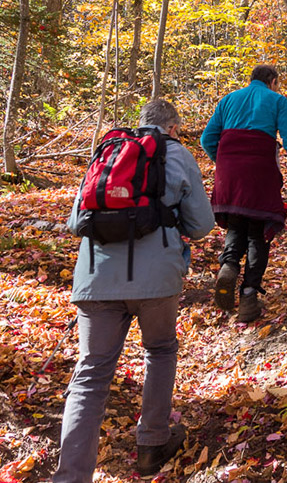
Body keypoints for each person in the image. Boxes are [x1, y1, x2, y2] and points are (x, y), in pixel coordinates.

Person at [53, 100, 214, 483]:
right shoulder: (176, 154)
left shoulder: (108, 151)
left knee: (91, 375)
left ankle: (71, 476)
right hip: (157, 279)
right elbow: (203, 223)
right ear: (172, 128)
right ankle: (151, 444)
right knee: (159, 350)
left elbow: (77, 222)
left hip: (95, 278)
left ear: (140, 124)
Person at [201, 64, 287, 323]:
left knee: (236, 225)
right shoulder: (277, 101)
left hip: (229, 174)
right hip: (260, 171)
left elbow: (206, 139)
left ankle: (228, 266)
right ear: (272, 81)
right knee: (258, 232)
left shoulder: (228, 100)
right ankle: (248, 295)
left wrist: (224, 162)